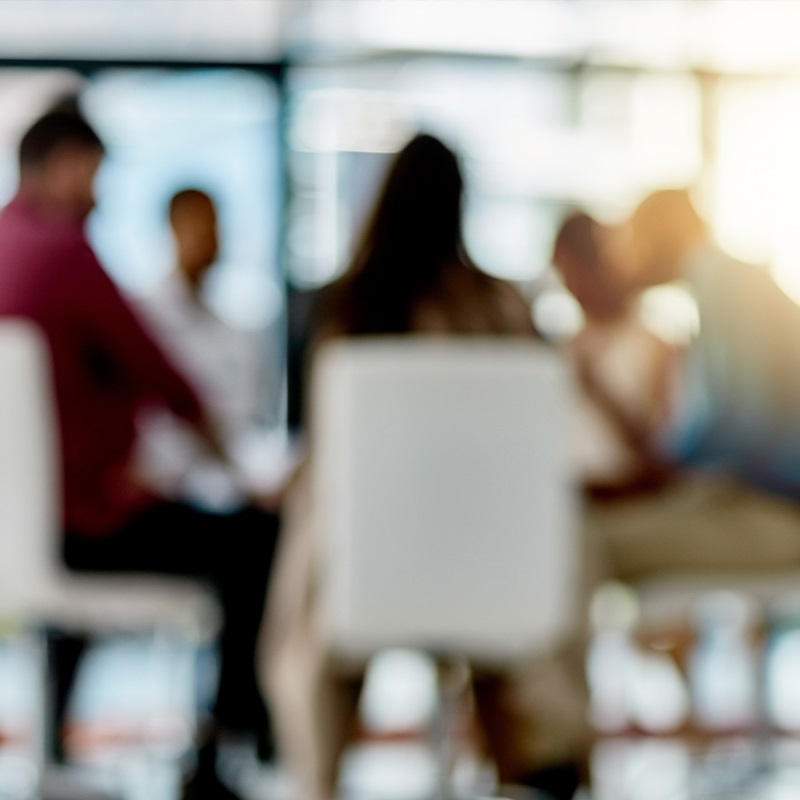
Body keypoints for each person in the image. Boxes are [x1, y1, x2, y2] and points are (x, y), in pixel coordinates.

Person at [259, 133, 587, 800]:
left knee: (312, 577)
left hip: (369, 574)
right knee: (520, 609)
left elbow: (326, 455)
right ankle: (533, 772)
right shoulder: (503, 309)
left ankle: (317, 780)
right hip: (497, 575)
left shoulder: (347, 310)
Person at [0, 102, 278, 800]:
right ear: (65, 167)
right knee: (253, 540)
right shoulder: (66, 251)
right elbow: (164, 378)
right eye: (94, 176)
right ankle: (224, 749)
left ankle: (58, 733)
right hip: (83, 527)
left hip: (22, 530)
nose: (98, 195)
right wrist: (241, 474)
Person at [134, 188, 286, 513]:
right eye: (200, 225)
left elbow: (248, 421)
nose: (211, 239)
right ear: (174, 228)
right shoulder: (143, 320)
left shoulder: (236, 331)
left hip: (230, 484)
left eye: (215, 226)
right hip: (169, 490)